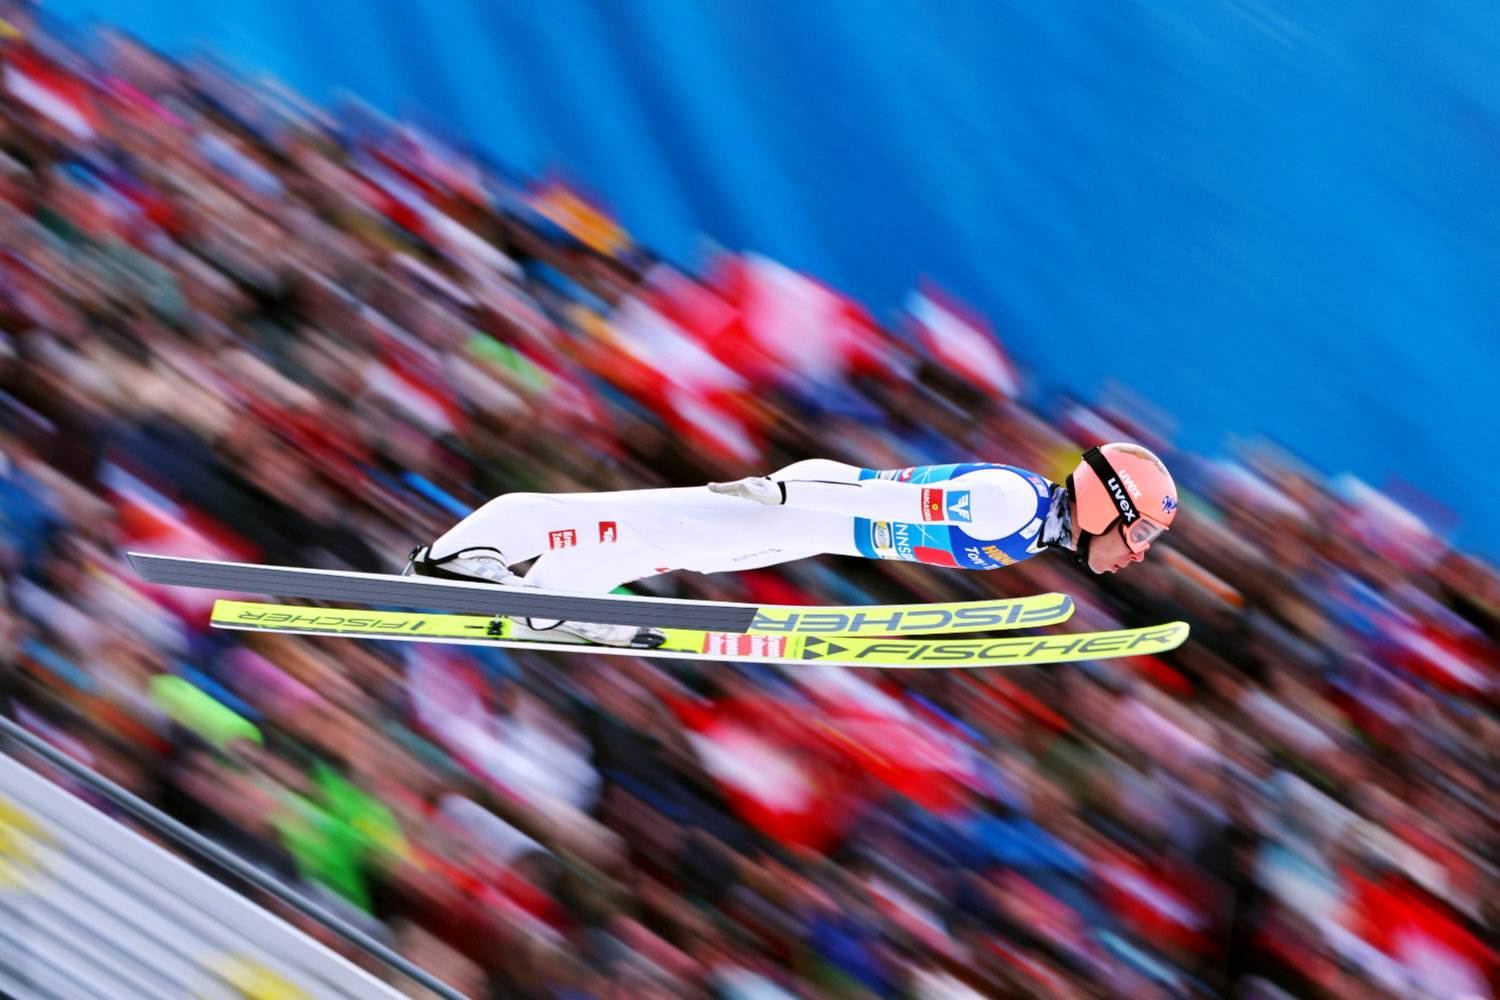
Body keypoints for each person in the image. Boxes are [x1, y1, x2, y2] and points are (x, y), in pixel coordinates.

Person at [406, 444, 1179, 648]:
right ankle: (454, 561)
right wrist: (788, 494)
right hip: (794, 513)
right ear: (1105, 505)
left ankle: (554, 600)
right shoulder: (1012, 504)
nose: (1139, 551)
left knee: (663, 549)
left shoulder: (1025, 527)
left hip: (799, 525)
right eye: (1141, 530)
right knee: (633, 519)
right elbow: (885, 497)